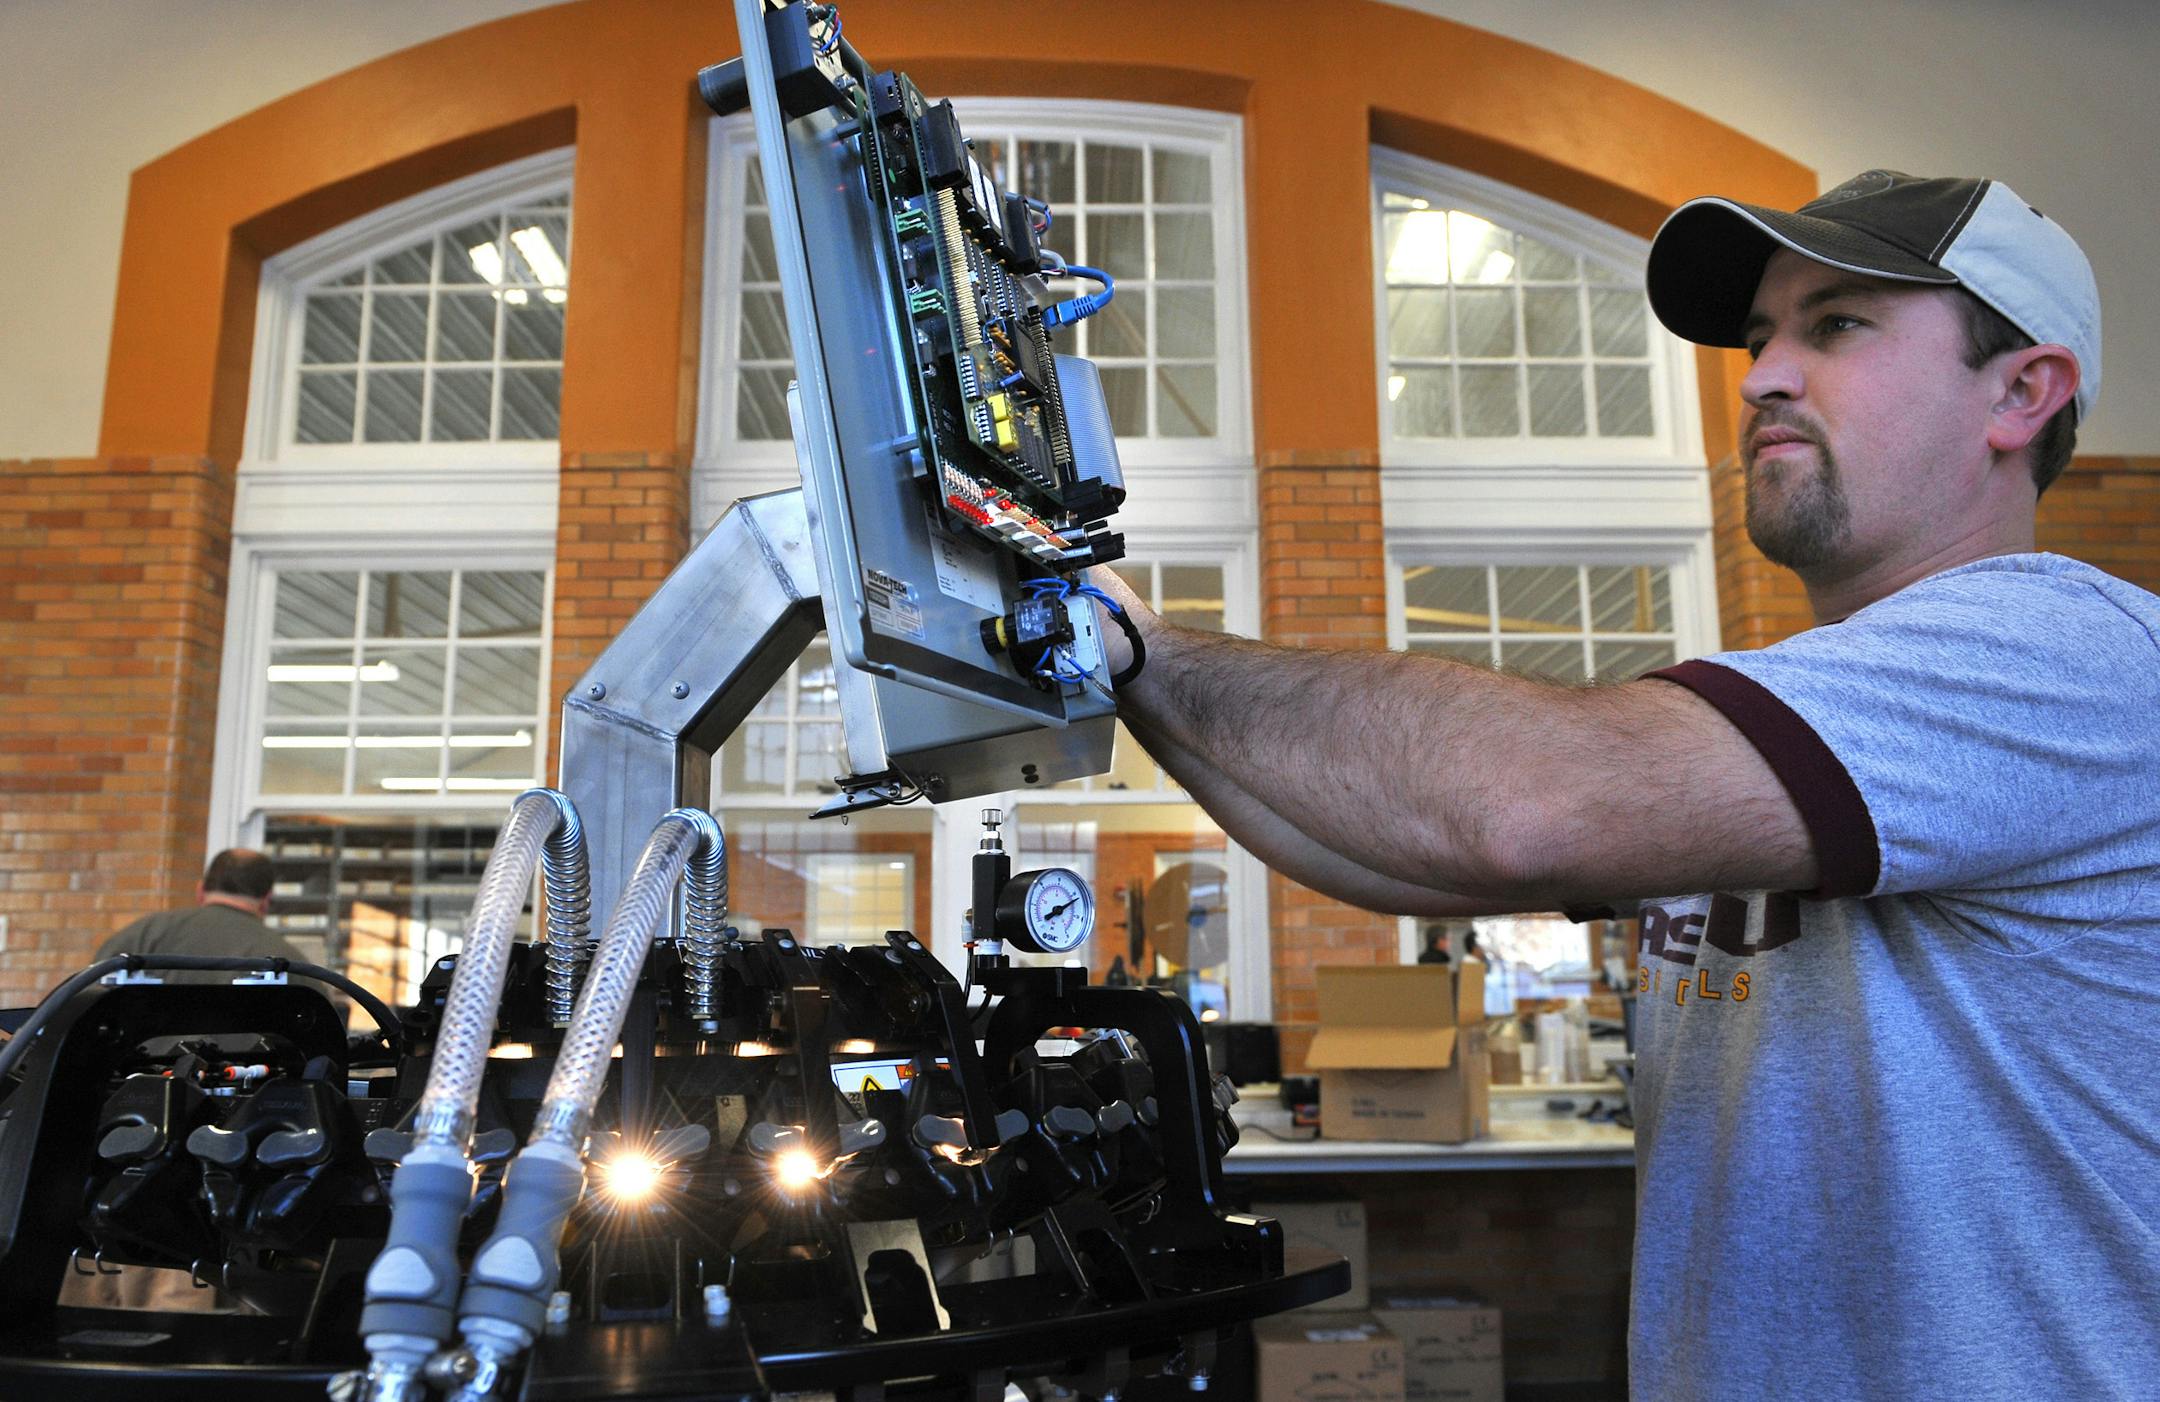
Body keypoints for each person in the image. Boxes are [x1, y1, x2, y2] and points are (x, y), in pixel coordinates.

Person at [1092, 171, 2155, 1399]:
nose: (1760, 377)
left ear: (2023, 391)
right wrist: (1121, 669)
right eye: (1761, 338)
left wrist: (1144, 644)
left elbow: (1524, 810)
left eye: (1837, 326)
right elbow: (1397, 855)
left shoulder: (2059, 653)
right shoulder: (1812, 698)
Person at [95, 848, 301, 975]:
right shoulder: (286, 959)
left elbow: (83, 999)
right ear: (266, 900)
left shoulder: (141, 936)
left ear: (200, 890)